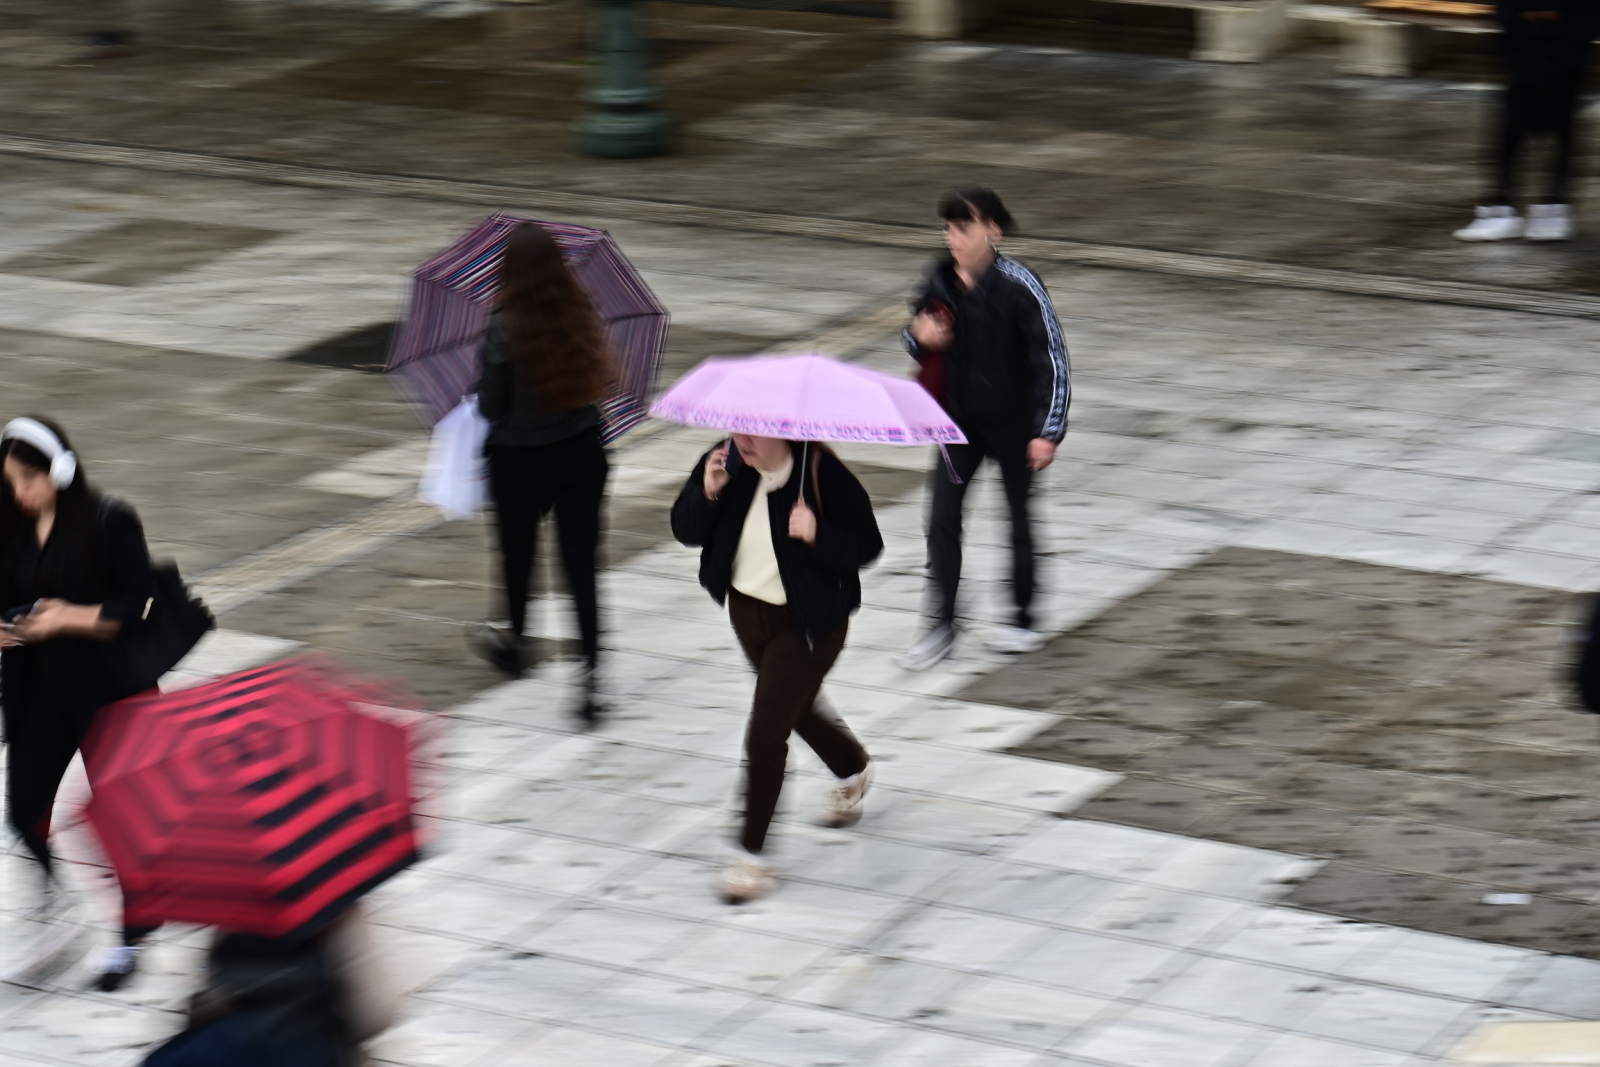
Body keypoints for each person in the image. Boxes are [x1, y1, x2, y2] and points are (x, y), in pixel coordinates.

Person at [671, 434, 881, 903]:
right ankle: (854, 768)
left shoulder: (822, 472)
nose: (741, 439)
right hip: (748, 614)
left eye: (753, 431)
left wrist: (818, 534)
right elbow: (684, 529)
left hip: (810, 624)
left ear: (783, 427)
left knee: (766, 731)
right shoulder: (726, 460)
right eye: (737, 426)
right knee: (794, 708)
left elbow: (868, 545)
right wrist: (708, 492)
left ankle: (751, 856)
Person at [0, 416, 159, 990]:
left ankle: (131, 938)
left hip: (107, 691)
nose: (20, 493)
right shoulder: (13, 530)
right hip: (41, 690)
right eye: (11, 483)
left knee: (125, 817)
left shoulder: (109, 521)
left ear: (59, 470)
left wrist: (68, 617)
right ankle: (60, 908)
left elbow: (135, 606)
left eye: (28, 479)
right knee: (24, 810)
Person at [897, 188, 1071, 671]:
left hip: (1015, 426)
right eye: (947, 229)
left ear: (993, 229)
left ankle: (1023, 619)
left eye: (963, 228)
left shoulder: (1019, 285)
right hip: (958, 425)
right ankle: (942, 624)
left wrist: (1047, 430)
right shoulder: (938, 280)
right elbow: (913, 335)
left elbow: (1052, 359)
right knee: (941, 521)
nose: (953, 238)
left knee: (1018, 519)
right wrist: (918, 335)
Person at [469, 223, 613, 726]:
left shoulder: (502, 325)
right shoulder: (581, 311)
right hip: (581, 454)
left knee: (517, 558)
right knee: (581, 569)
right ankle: (591, 678)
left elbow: (491, 405)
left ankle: (514, 642)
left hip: (519, 460)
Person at [1454, 0, 1599, 242]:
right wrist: (1514, 13)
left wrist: (1566, 17)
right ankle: (1502, 208)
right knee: (1514, 118)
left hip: (1567, 28)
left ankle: (1552, 207)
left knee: (1561, 117)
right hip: (1524, 30)